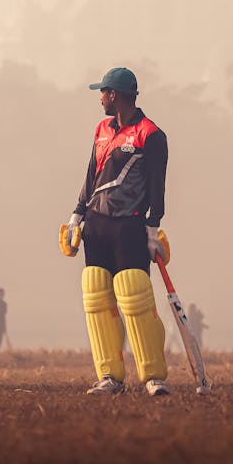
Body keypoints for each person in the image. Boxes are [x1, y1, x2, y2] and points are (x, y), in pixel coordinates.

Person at [60, 66, 170, 396]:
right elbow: (91, 175)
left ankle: (153, 376)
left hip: (130, 225)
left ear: (116, 95)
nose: (100, 98)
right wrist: (77, 215)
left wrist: (153, 228)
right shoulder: (101, 130)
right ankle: (110, 377)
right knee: (96, 297)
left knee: (134, 295)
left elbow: (157, 187)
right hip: (97, 225)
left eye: (103, 93)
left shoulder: (151, 135)